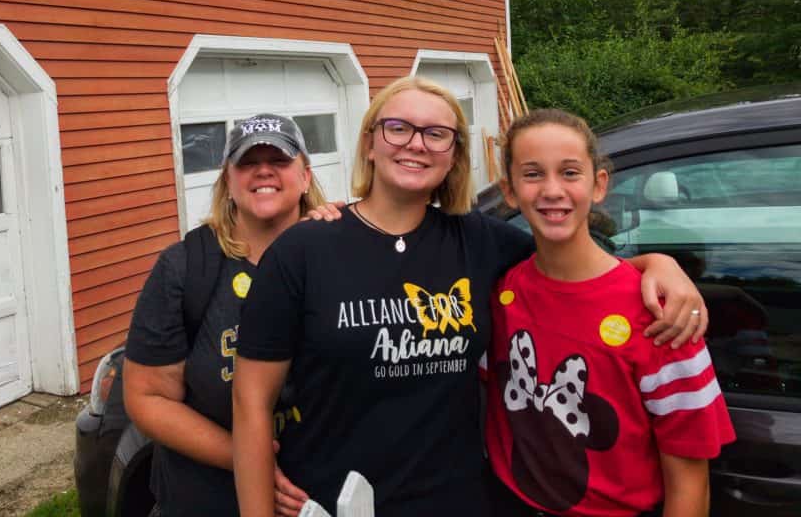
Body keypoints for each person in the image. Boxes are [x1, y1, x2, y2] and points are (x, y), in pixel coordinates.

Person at [231, 76, 707, 517]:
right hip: (331, 502)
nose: (416, 143)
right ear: (369, 143)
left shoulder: (482, 243)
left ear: (454, 154)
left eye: (436, 133)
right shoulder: (303, 251)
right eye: (397, 128)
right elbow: (251, 401)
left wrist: (657, 265)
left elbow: (571, 265)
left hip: (459, 501)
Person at [485, 109, 734, 517]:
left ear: (599, 185)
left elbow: (690, 480)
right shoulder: (501, 291)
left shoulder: (660, 315)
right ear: (509, 192)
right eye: (532, 174)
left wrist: (659, 264)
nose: (552, 190)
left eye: (569, 173)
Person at [123, 114, 320, 517]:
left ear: (305, 176)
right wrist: (247, 459)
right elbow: (147, 397)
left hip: (328, 492)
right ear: (227, 181)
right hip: (207, 499)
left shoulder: (339, 255)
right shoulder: (186, 269)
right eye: (247, 162)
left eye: (279, 160)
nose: (263, 170)